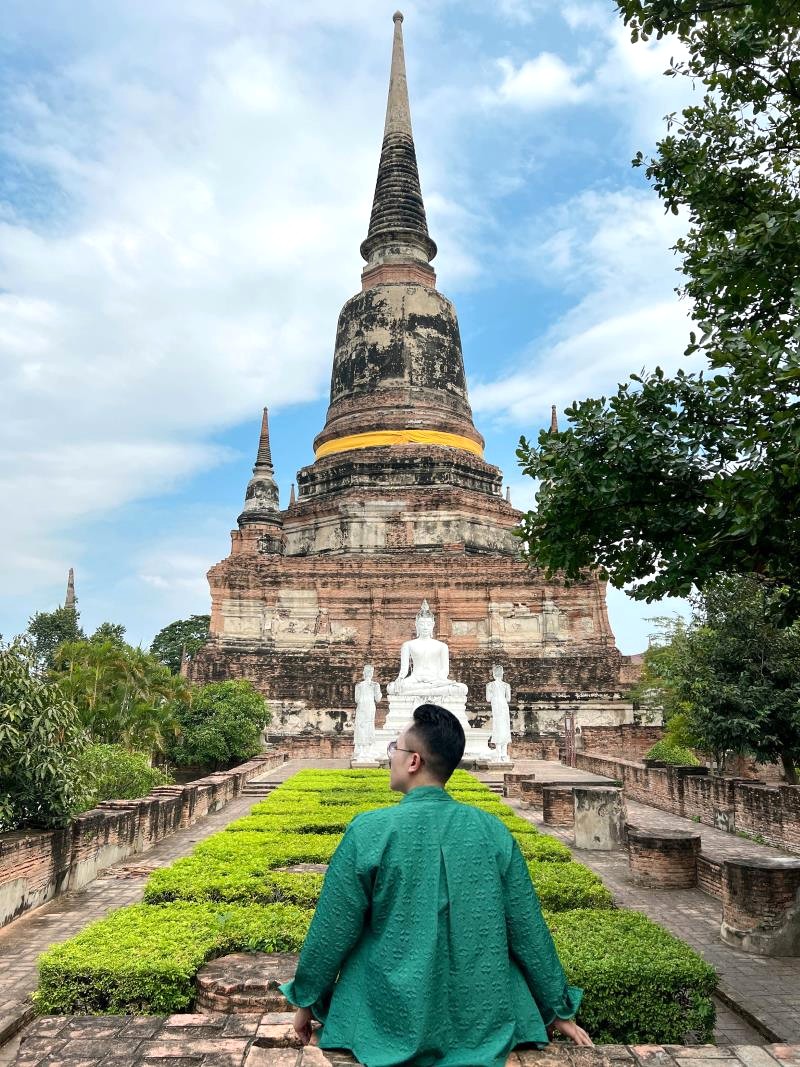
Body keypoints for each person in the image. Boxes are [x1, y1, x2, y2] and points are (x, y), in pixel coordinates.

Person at [279, 703, 592, 1067]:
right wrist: (556, 1008)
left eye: (393, 748)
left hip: (387, 1018)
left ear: (413, 762)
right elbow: (526, 928)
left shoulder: (369, 831)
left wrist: (305, 1000)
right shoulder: (492, 831)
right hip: (482, 1018)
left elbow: (333, 928)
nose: (390, 756)